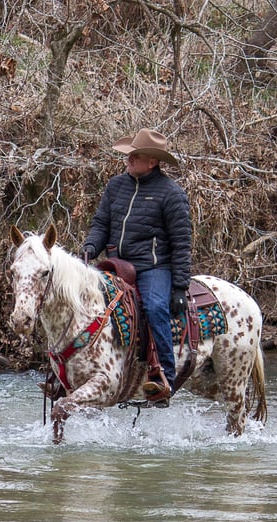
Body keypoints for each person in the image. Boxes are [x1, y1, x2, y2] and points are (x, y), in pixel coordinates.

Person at [81, 128, 191, 404]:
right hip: (115, 264)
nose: (128, 159)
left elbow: (181, 243)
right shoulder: (116, 186)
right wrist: (90, 247)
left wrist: (179, 286)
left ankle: (164, 378)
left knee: (155, 308)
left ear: (152, 162)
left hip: (154, 268)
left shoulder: (171, 194)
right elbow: (101, 224)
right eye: (128, 154)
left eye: (134, 155)